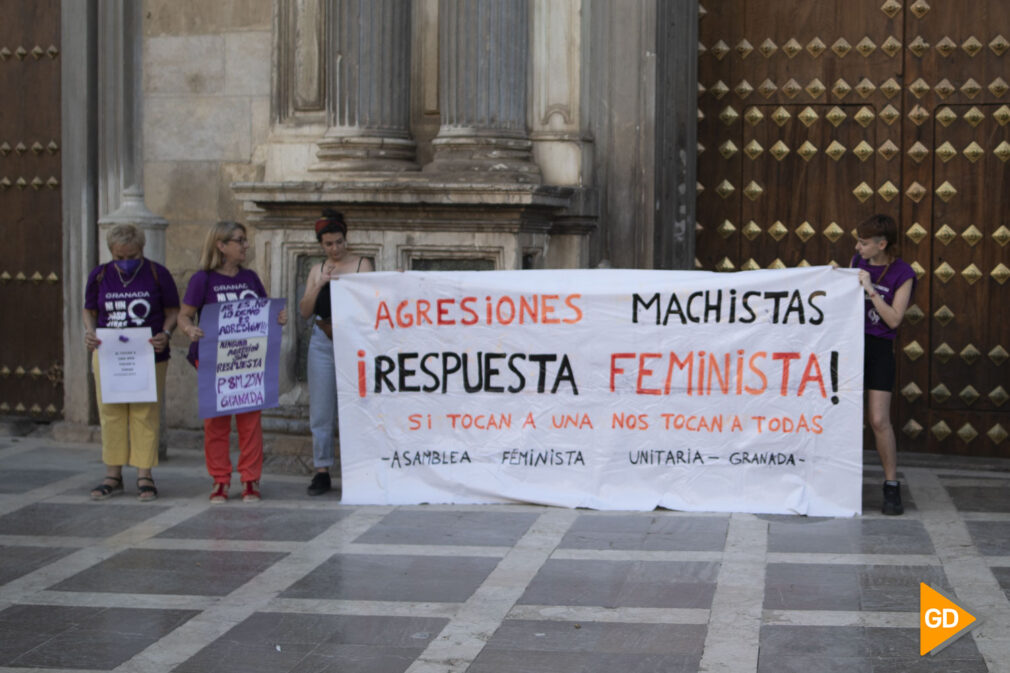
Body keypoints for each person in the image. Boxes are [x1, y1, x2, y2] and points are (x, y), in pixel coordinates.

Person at [177, 221, 287, 503]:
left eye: (245, 240)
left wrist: (277, 318)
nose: (245, 246)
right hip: (215, 361)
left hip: (248, 361)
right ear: (221, 245)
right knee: (216, 423)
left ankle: (251, 479)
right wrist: (189, 330)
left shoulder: (250, 278)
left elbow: (263, 310)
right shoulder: (203, 279)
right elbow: (184, 315)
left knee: (250, 423)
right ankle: (220, 480)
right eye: (240, 240)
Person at [84, 224, 179, 502]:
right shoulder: (100, 275)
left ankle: (144, 474)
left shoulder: (156, 274)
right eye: (119, 256)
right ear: (111, 252)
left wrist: (166, 333)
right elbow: (89, 310)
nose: (125, 261)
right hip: (109, 354)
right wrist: (90, 333)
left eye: (132, 256)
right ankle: (112, 474)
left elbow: (173, 311)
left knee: (145, 413)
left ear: (142, 250)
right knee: (110, 411)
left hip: (148, 355)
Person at [299, 209, 374, 496]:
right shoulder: (317, 270)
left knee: (358, 403)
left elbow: (369, 303)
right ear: (321, 245)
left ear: (346, 239)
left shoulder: (361, 265)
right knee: (321, 407)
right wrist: (320, 284)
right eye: (329, 244)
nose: (335, 248)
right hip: (322, 340)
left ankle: (359, 466)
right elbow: (305, 311)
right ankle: (322, 470)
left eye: (339, 242)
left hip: (353, 340)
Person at [852, 213, 916, 515]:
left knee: (879, 420)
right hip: (850, 346)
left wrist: (870, 290)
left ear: (882, 244)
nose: (858, 247)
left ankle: (891, 486)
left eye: (864, 243)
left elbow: (893, 320)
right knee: (842, 416)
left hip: (879, 349)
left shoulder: (903, 273)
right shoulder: (856, 262)